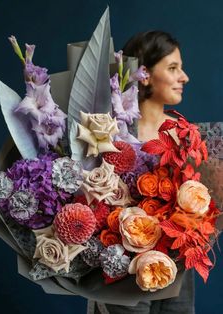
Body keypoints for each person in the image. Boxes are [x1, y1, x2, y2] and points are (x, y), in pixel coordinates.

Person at [90, 31, 195, 314]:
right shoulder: (109, 131)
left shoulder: (184, 133)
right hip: (121, 269)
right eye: (173, 68)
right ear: (145, 74)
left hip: (174, 267)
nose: (183, 77)